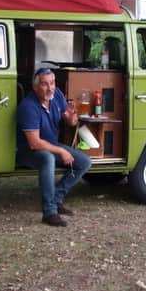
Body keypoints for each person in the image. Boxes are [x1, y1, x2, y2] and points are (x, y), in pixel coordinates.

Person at [16, 67, 92, 227]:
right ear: (36, 87)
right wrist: (61, 151)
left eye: (52, 83)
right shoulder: (28, 106)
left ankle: (56, 198)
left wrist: (72, 116)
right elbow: (34, 142)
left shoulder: (56, 94)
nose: (50, 88)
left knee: (84, 162)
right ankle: (49, 212)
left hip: (51, 145)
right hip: (28, 151)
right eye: (44, 84)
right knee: (47, 158)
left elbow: (69, 120)